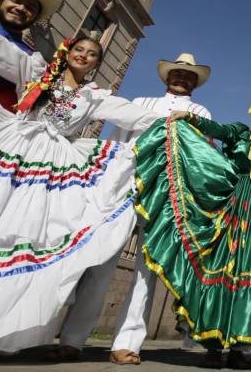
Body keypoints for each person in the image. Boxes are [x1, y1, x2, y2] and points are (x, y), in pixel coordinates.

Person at [0, 2, 159, 361]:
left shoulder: (93, 97)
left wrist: (177, 119)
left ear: (96, 63)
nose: (84, 56)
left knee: (22, 232)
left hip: (50, 168)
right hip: (10, 146)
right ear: (68, 51)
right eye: (80, 49)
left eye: (92, 54)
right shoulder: (36, 70)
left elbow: (137, 117)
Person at [132, 98, 251, 370]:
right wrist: (191, 119)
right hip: (237, 209)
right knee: (225, 270)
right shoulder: (240, 134)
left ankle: (240, 347)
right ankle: (214, 346)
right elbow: (217, 129)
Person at [55, 53, 213, 365]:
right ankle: (73, 338)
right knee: (101, 260)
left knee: (147, 270)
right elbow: (116, 141)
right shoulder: (140, 101)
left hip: (168, 193)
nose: (181, 78)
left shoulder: (200, 112)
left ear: (194, 82)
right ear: (168, 77)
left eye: (188, 76)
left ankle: (127, 343)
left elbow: (203, 155)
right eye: (177, 73)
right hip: (127, 184)